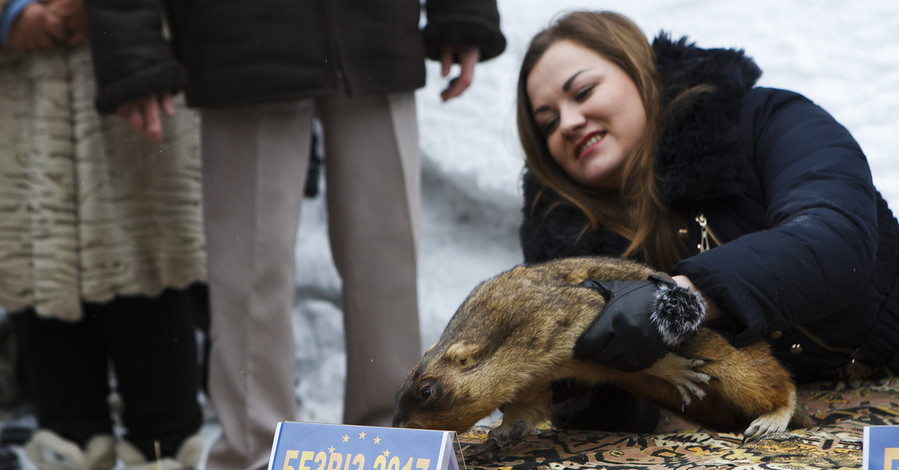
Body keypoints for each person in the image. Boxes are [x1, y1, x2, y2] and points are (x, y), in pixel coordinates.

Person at [81, 2, 507, 470]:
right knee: (249, 277)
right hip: (240, 38)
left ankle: (392, 447)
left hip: (373, 31)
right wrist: (132, 50)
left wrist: (463, 12)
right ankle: (256, 454)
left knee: (388, 263)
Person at [516, 10, 899, 429]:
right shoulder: (565, 247)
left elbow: (833, 237)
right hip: (764, 429)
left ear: (641, 71)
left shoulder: (768, 119)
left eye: (584, 91)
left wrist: (678, 301)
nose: (569, 123)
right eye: (548, 123)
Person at [0, 0, 209, 469]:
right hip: (18, 98)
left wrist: (104, 8)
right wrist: (11, 16)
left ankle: (164, 447)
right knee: (42, 268)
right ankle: (68, 440)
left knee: (151, 268)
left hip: (135, 75)